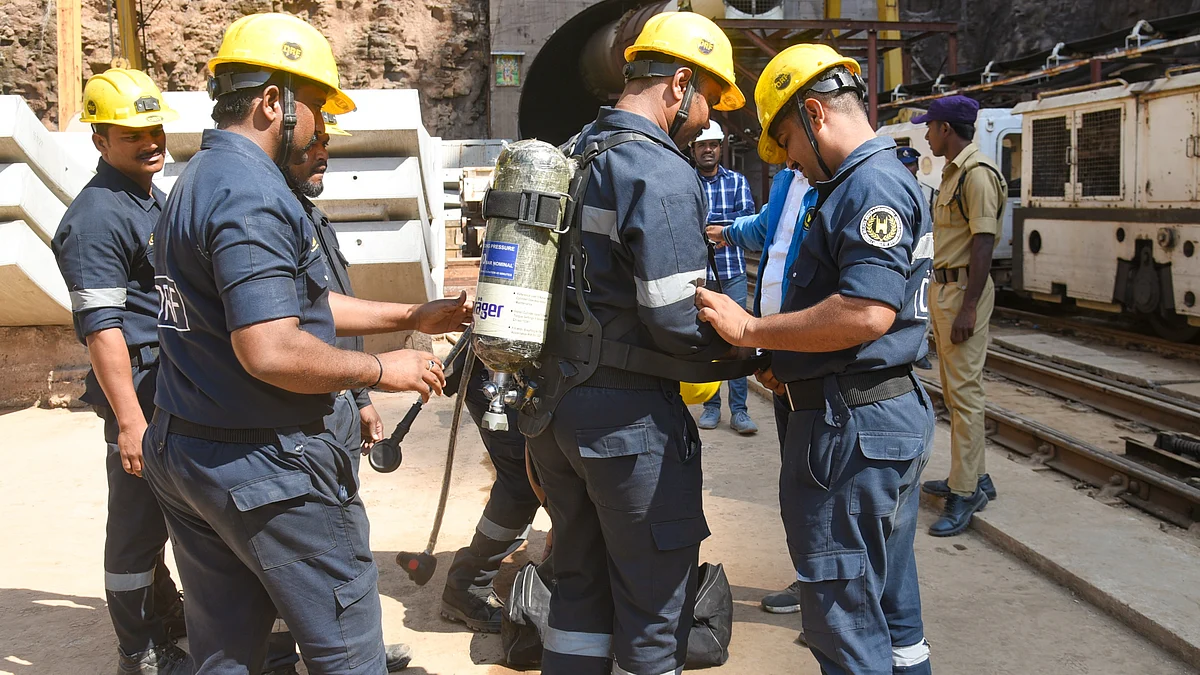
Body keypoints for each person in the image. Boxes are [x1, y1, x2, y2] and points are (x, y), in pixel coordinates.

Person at [142, 13, 468, 674]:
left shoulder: (197, 180)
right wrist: (382, 368)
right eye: (317, 108)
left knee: (227, 652)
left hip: (192, 451)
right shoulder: (253, 194)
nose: (322, 127)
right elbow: (271, 347)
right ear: (272, 103)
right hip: (266, 468)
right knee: (347, 652)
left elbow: (299, 303)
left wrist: (413, 312)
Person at [695, 43, 935, 674]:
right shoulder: (878, 177)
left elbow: (865, 312)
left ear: (813, 113)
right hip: (877, 412)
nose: (792, 163)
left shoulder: (868, 183)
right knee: (890, 611)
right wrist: (787, 355)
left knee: (841, 617)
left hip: (850, 427)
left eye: (788, 145)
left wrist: (751, 329)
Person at [522, 11, 744, 675]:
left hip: (556, 415)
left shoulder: (570, 151)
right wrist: (747, 348)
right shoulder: (658, 168)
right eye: (704, 103)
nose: (702, 122)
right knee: (653, 609)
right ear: (679, 84)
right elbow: (675, 318)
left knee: (580, 594)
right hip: (628, 427)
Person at [259, 113, 417, 674]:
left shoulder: (308, 215)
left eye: (328, 143)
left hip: (336, 396)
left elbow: (327, 315)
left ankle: (349, 649)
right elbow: (282, 341)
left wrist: (362, 397)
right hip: (295, 417)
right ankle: (291, 654)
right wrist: (377, 371)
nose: (324, 153)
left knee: (340, 538)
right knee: (306, 553)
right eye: (316, 142)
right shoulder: (267, 217)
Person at [50, 68, 193, 675]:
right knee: (136, 529)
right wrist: (130, 422)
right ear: (99, 140)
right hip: (138, 393)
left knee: (164, 514)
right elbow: (103, 330)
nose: (151, 141)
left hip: (168, 386)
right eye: (133, 132)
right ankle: (140, 652)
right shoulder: (97, 217)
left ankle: (165, 613)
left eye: (155, 128)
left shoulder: (146, 197)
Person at [707, 162, 816, 615]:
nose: (782, 154)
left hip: (814, 361)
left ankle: (830, 596)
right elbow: (765, 228)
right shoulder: (791, 181)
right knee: (797, 478)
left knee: (818, 480)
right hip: (782, 356)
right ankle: (811, 580)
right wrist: (726, 233)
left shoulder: (841, 183)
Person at [916, 95, 1006, 537]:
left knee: (965, 395)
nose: (927, 135)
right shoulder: (954, 172)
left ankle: (965, 493)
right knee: (956, 392)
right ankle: (975, 476)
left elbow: (984, 244)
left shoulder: (977, 175)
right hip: (947, 288)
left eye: (930, 127)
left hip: (963, 292)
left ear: (947, 129)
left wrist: (969, 305)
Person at [692, 120, 758, 435]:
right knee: (708, 342)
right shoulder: (686, 182)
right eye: (703, 144)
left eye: (714, 144)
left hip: (731, 272)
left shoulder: (737, 182)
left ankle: (740, 411)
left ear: (721, 148)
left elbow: (745, 225)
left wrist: (717, 230)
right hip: (700, 277)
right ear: (693, 149)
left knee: (739, 339)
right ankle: (712, 406)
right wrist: (721, 228)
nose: (708, 149)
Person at [896, 146, 936, 372]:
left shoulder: (926, 191)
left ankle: (920, 348)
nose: (908, 168)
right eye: (904, 164)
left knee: (921, 304)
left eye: (911, 164)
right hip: (900, 255)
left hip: (921, 254)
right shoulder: (891, 188)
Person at [897, 146, 938, 210]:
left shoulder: (930, 192)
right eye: (902, 165)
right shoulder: (890, 191)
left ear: (917, 166)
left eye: (910, 164)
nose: (906, 169)